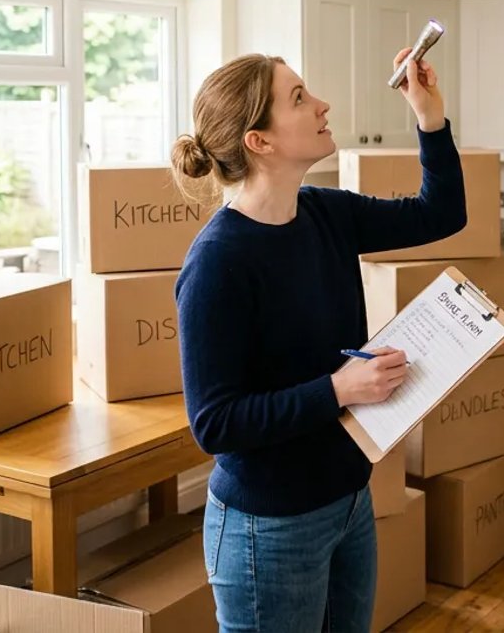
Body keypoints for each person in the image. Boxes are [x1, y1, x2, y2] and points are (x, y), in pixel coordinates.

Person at [171, 48, 464, 633]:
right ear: (260, 141)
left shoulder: (324, 213)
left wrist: (429, 116)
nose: (322, 104)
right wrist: (338, 388)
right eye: (299, 98)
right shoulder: (217, 263)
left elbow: (443, 213)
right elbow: (215, 424)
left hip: (348, 499)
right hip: (268, 524)